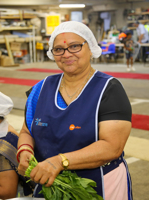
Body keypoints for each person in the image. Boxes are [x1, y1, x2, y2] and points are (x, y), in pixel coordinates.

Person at [17, 21, 133, 200]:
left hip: (98, 184)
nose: (66, 54)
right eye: (59, 49)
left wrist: (59, 161)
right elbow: (27, 130)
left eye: (75, 46)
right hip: (50, 184)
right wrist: (25, 150)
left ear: (90, 48)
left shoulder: (109, 89)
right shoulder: (40, 89)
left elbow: (112, 147)